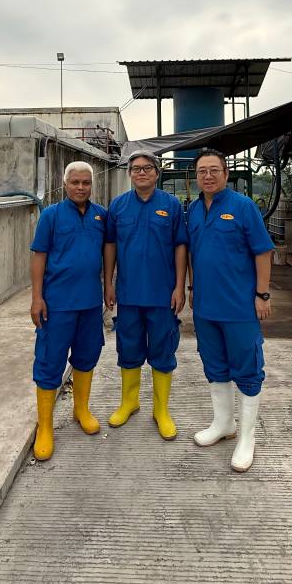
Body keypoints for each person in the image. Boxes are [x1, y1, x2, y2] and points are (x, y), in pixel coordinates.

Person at [187, 149, 273, 472]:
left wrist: (262, 294)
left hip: (239, 306)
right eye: (202, 171)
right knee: (215, 365)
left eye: (214, 170)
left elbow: (263, 252)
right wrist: (192, 288)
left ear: (225, 174)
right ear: (195, 177)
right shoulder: (194, 210)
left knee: (248, 369)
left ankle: (247, 437)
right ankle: (224, 423)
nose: (208, 176)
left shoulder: (243, 206)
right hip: (205, 307)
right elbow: (193, 254)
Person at [104, 151, 188, 440]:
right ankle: (129, 402)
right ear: (129, 173)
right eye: (136, 168)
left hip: (163, 295)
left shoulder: (171, 205)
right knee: (128, 349)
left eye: (147, 168)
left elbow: (180, 246)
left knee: (163, 351)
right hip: (128, 294)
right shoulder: (118, 206)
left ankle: (161, 410)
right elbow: (110, 245)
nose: (141, 172)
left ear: (157, 172)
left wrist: (179, 286)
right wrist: (108, 283)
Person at [30, 160, 106, 461]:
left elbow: (108, 251)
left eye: (86, 183)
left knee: (87, 356)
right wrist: (37, 297)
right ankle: (45, 426)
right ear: (65, 184)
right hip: (57, 304)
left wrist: (109, 286)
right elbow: (39, 256)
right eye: (75, 182)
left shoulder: (101, 215)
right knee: (50, 361)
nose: (80, 187)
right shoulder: (50, 216)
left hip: (90, 303)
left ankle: (81, 409)